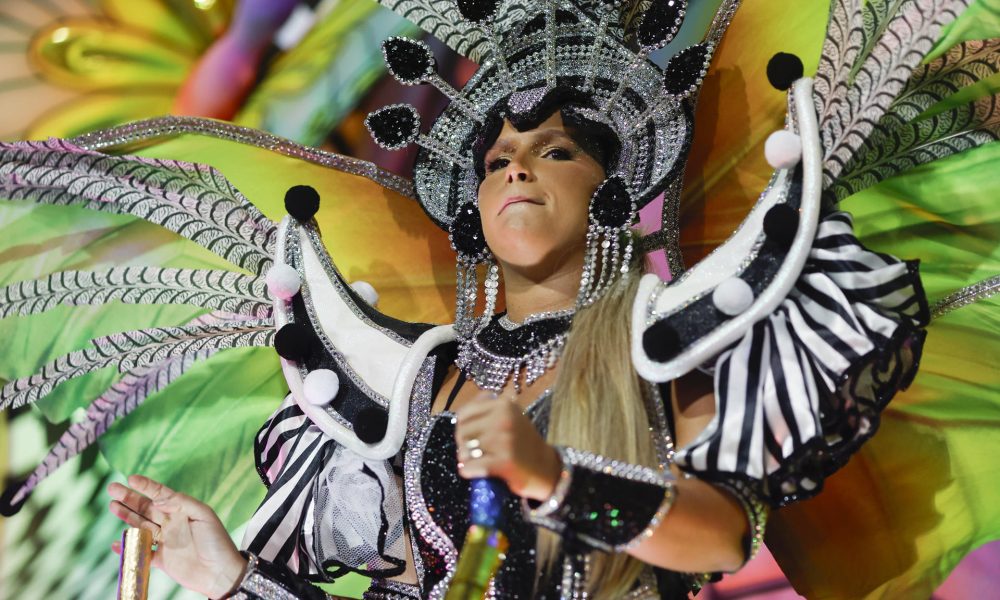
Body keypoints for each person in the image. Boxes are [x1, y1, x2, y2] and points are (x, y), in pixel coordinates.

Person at [2, 0, 997, 598]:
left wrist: (554, 479)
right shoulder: (422, 384)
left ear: (610, 188)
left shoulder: (664, 342)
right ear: (473, 205)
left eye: (553, 151)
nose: (517, 169)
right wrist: (228, 574)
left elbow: (718, 533)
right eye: (496, 160)